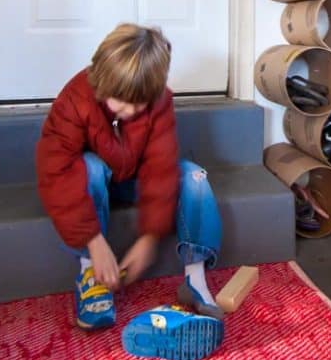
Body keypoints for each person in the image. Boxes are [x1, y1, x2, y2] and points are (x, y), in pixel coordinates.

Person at [36, 23, 225, 339]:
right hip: (94, 184)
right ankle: (90, 277)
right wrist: (94, 241)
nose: (128, 110)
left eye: (138, 104)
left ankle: (195, 279)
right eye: (119, 101)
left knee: (194, 176)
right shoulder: (75, 98)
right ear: (102, 80)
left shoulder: (159, 100)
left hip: (133, 177)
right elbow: (56, 170)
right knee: (89, 167)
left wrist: (150, 237)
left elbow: (160, 166)